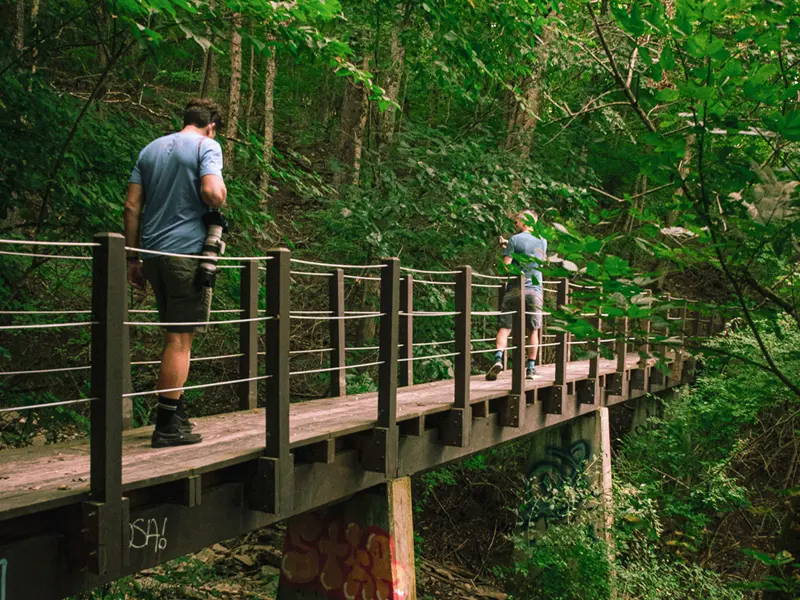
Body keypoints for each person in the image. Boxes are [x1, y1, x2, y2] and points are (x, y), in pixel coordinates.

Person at [124, 98, 228, 448]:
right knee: (180, 341)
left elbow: (131, 206)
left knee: (172, 334)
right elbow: (213, 193)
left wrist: (132, 258)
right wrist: (220, 193)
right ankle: (166, 425)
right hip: (185, 254)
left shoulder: (149, 150)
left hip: (152, 253)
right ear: (211, 126)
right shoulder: (206, 146)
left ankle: (176, 413)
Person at [485, 210, 547, 382]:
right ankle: (531, 368)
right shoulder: (543, 241)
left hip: (515, 290)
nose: (515, 225)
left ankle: (498, 359)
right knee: (533, 330)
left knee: (505, 328)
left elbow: (507, 267)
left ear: (524, 222)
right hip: (534, 289)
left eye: (517, 222)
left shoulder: (514, 239)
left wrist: (509, 249)